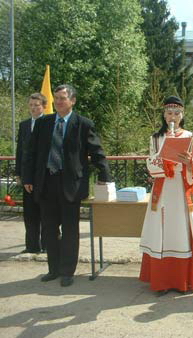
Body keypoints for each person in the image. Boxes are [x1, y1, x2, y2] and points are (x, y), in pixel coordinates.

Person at [23, 84, 111, 287]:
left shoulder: (83, 124)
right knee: (49, 230)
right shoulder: (44, 123)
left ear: (73, 101)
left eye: (63, 98)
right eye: (56, 98)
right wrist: (27, 178)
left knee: (70, 230)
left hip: (70, 185)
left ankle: (67, 272)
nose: (58, 101)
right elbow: (31, 153)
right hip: (45, 184)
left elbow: (97, 151)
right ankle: (53, 269)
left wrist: (104, 175)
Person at [139, 96, 193, 294]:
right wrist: (162, 156)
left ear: (182, 115)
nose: (173, 117)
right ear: (164, 115)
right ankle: (161, 282)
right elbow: (151, 164)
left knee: (182, 232)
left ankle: (184, 280)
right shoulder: (155, 138)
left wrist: (187, 163)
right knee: (162, 232)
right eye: (169, 113)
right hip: (163, 189)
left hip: (182, 189)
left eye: (177, 113)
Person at [15, 93, 46, 254]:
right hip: (28, 177)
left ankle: (48, 245)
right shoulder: (24, 125)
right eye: (31, 105)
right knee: (30, 213)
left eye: (37, 105)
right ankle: (32, 246)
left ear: (44, 106)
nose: (33, 108)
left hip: (45, 178)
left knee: (46, 213)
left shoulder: (49, 123)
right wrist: (19, 173)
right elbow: (21, 151)